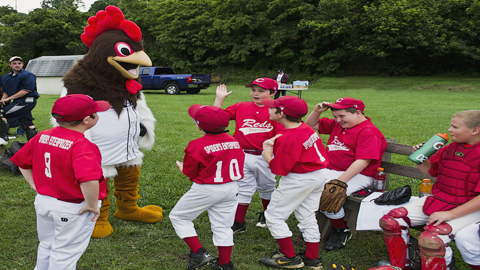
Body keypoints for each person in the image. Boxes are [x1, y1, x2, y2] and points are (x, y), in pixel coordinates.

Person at [370, 110, 480, 270]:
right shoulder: (450, 148)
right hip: (441, 199)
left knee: (432, 239)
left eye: (454, 127)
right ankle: (401, 266)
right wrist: (422, 158)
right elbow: (430, 172)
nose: (449, 130)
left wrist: (450, 215)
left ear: (474, 130)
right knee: (391, 221)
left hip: (470, 207)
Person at [10, 94, 109, 269]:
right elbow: (88, 180)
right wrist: (92, 204)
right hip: (72, 207)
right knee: (65, 253)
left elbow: (21, 162)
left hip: (44, 202)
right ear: (87, 120)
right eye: (95, 112)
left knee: (47, 245)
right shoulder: (82, 146)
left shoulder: (42, 136)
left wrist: (34, 184)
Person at [305, 97, 387, 251]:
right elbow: (311, 124)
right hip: (332, 170)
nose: (338, 120)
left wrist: (339, 182)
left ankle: (341, 230)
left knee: (331, 194)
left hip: (359, 174)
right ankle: (310, 224)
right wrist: (316, 111)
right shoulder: (340, 125)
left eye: (342, 116)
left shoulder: (369, 132)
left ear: (357, 113)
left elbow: (362, 162)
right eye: (335, 117)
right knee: (304, 184)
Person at [170, 104, 245, 270]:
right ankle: (225, 264)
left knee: (179, 217)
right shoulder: (234, 141)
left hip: (206, 189)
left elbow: (191, 173)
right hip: (231, 187)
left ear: (198, 125)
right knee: (223, 226)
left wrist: (182, 167)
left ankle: (199, 254)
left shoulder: (196, 145)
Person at [259, 95, 329, 269]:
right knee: (307, 215)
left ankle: (289, 257)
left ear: (281, 114)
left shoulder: (288, 137)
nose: (268, 109)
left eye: (272, 107)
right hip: (318, 175)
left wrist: (267, 152)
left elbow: (278, 169)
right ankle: (313, 258)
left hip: (299, 179)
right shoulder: (305, 128)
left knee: (273, 216)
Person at [213, 78, 285, 233]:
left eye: (261, 90)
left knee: (267, 187)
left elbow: (282, 135)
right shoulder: (241, 107)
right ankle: (239, 222)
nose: (256, 93)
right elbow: (216, 119)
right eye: (253, 90)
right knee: (243, 188)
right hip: (242, 154)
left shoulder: (276, 111)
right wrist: (219, 99)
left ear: (273, 93)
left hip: (264, 156)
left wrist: (272, 149)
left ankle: (268, 214)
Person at [1, 56, 39, 139]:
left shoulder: (28, 75)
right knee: (27, 123)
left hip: (26, 101)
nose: (17, 65)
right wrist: (2, 101)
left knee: (2, 113)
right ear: (10, 65)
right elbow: (5, 92)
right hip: (17, 101)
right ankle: (33, 144)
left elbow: (25, 91)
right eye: (14, 63)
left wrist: (8, 98)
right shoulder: (6, 77)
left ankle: (3, 137)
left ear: (22, 64)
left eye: (19, 63)